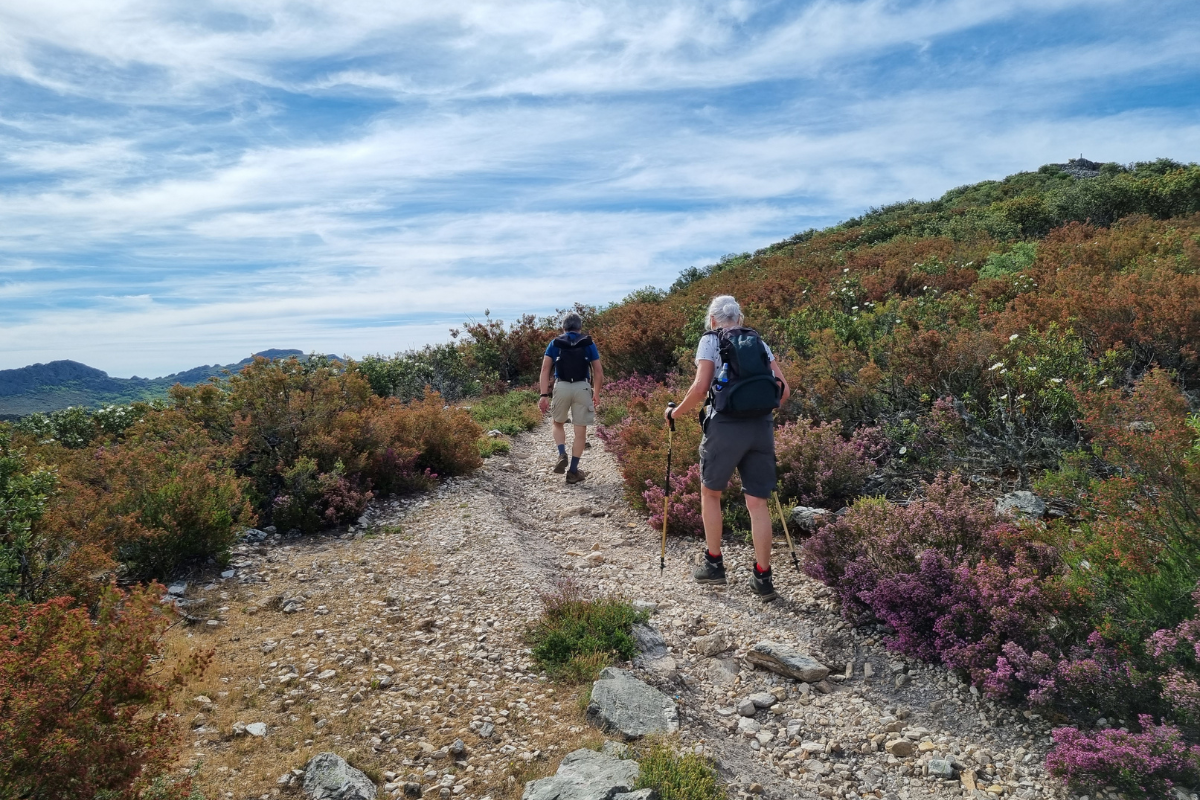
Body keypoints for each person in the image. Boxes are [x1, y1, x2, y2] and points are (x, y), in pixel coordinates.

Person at [664, 295, 790, 600]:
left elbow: (700, 387)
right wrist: (762, 412)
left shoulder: (710, 340)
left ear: (712, 319)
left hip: (725, 427)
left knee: (711, 493)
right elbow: (783, 387)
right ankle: (763, 578)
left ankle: (714, 564)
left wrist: (673, 414)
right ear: (739, 318)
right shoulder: (757, 341)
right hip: (761, 427)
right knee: (758, 503)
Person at [538, 312, 603, 484]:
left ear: (563, 327)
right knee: (580, 431)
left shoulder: (555, 343)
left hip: (562, 386)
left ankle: (561, 453)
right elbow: (598, 371)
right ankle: (573, 471)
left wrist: (544, 395)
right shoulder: (588, 343)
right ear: (580, 327)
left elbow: (545, 370)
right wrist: (596, 393)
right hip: (582, 386)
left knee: (557, 423)